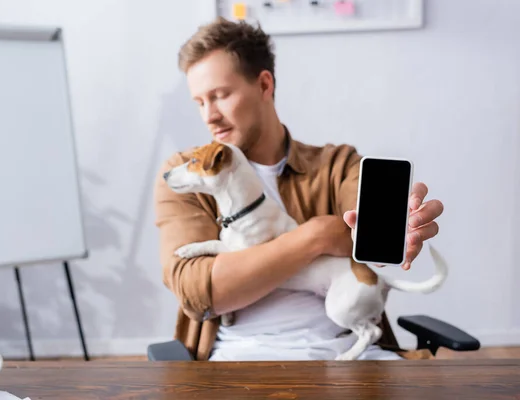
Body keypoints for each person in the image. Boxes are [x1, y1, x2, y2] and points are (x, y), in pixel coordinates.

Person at [153, 17, 444, 361]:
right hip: (241, 360)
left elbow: (369, 240)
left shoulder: (337, 165)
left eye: (220, 96)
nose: (209, 116)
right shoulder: (186, 175)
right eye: (199, 102)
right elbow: (200, 291)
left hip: (350, 354)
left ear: (264, 85)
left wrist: (401, 231)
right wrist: (318, 234)